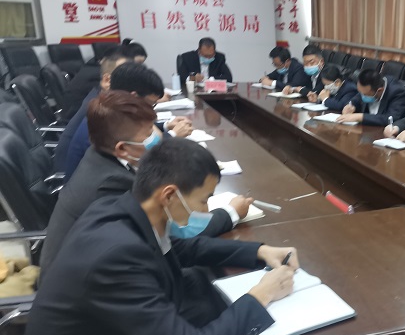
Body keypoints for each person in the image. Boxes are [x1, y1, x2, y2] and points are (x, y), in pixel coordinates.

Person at [21, 138, 296, 335]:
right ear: (169, 196)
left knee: (208, 302)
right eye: (203, 200)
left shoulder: (122, 208)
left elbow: (182, 248)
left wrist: (258, 251)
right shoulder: (117, 256)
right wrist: (260, 295)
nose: (206, 210)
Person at [40, 91, 252, 279]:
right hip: (91, 287)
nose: (157, 136)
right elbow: (171, 238)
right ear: (122, 148)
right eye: (149, 132)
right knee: (209, 276)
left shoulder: (105, 155)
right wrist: (230, 214)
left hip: (102, 270)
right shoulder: (111, 184)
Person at [64, 62, 193, 179]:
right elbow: (143, 156)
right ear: (134, 97)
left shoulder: (109, 109)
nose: (152, 109)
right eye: (151, 104)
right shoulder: (105, 122)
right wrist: (172, 136)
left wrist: (166, 125)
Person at [54, 48, 131, 172]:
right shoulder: (98, 110)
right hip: (77, 176)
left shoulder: (100, 97)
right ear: (107, 80)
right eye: (125, 76)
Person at [336, 69, 405, 126]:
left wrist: (360, 117)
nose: (362, 96)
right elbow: (358, 97)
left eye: (365, 94)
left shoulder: (399, 93)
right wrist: (351, 105)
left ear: (379, 90)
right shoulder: (367, 87)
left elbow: (391, 119)